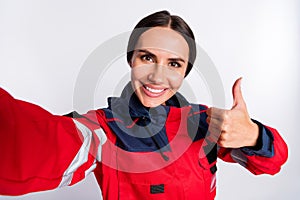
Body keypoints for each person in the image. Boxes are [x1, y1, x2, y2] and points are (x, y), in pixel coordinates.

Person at [0, 10, 288, 200]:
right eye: (147, 58)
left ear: (184, 71)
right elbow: (25, 144)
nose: (157, 76)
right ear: (131, 59)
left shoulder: (206, 122)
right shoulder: (102, 130)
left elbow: (273, 162)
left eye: (173, 64)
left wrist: (254, 135)